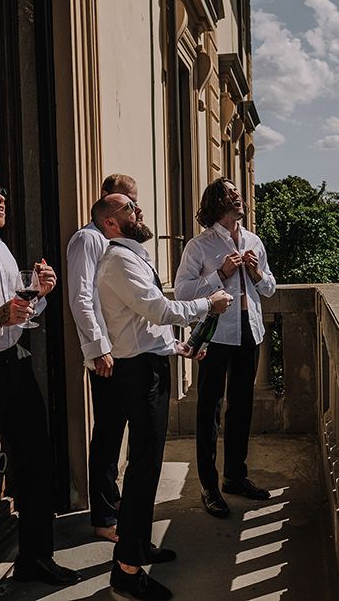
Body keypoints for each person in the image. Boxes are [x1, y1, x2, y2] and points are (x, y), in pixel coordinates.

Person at [95, 194, 232, 600]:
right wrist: (209, 303)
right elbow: (156, 310)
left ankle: (138, 546)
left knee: (147, 464)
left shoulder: (134, 256)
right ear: (111, 223)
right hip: (137, 375)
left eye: (136, 205)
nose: (138, 210)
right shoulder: (118, 260)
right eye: (128, 208)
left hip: (148, 363)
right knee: (143, 466)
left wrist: (177, 348)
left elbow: (140, 324)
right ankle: (126, 570)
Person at [0, 161, 81, 587]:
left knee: (37, 461)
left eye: (0, 190)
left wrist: (38, 294)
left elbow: (16, 315)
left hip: (14, 363)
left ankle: (35, 559)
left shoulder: (0, 246)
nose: (1, 197)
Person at [174, 178, 276, 518]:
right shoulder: (199, 246)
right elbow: (183, 291)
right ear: (218, 203)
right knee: (209, 411)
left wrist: (257, 273)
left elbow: (270, 289)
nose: (240, 198)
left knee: (242, 407)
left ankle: (235, 476)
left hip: (251, 332)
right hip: (216, 336)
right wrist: (221, 273)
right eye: (233, 195)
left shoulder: (254, 241)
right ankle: (209, 486)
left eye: (239, 194)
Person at [66, 174, 138, 543]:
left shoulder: (111, 242)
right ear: (109, 204)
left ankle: (113, 507)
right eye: (129, 203)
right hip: (105, 355)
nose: (135, 210)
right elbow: (81, 298)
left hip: (118, 351)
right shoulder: (87, 239)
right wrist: (98, 349)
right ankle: (104, 517)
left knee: (114, 432)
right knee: (107, 435)